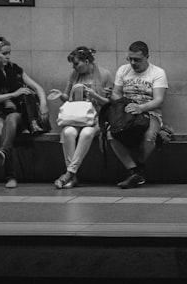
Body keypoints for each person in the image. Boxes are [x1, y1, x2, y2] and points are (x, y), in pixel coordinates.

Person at [0, 36, 48, 189]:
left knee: (12, 118)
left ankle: (2, 151)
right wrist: (12, 94)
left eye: (9, 53)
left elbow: (38, 88)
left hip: (14, 113)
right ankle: (10, 176)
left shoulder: (15, 69)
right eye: (4, 54)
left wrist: (44, 105)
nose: (8, 57)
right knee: (4, 132)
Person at [48, 46, 114, 189]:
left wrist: (95, 95)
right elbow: (68, 98)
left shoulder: (105, 74)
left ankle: (69, 173)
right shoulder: (74, 75)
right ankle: (72, 177)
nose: (74, 67)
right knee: (68, 132)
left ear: (86, 60)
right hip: (77, 117)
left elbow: (109, 103)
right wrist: (60, 95)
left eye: (76, 63)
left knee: (87, 133)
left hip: (97, 117)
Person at [106, 41, 168, 189]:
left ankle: (138, 167)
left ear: (147, 57)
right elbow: (116, 93)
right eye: (130, 59)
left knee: (149, 137)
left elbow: (158, 100)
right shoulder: (123, 70)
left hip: (149, 111)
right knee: (110, 134)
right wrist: (122, 102)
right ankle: (133, 170)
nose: (133, 63)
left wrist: (141, 108)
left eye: (137, 60)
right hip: (125, 112)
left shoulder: (157, 73)